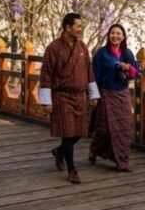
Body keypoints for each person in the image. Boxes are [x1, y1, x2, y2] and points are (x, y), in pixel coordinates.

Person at [39, 13, 99, 184]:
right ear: (67, 27)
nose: (80, 30)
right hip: (62, 96)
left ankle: (60, 151)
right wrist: (46, 101)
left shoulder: (82, 47)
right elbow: (46, 75)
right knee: (68, 132)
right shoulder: (53, 48)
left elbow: (89, 71)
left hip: (79, 96)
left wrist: (93, 94)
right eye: (78, 26)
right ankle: (72, 169)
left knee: (79, 132)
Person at [89, 23, 137, 172]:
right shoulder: (101, 53)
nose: (115, 36)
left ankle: (122, 162)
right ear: (109, 36)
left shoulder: (127, 53)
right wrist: (93, 96)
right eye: (112, 33)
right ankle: (94, 149)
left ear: (123, 37)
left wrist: (128, 68)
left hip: (122, 94)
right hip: (105, 93)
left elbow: (136, 72)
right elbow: (93, 76)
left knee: (125, 128)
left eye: (118, 33)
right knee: (104, 129)